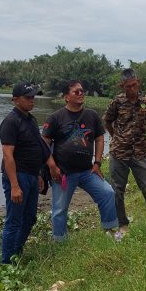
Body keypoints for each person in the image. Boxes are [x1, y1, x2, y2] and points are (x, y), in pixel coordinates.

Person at [42, 80, 121, 241]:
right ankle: (59, 241)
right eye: (76, 92)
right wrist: (51, 166)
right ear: (66, 97)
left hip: (87, 171)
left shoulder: (91, 115)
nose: (80, 93)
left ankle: (111, 231)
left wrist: (97, 163)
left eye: (82, 91)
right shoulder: (56, 117)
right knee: (59, 209)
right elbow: (44, 144)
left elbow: (99, 139)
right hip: (63, 173)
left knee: (108, 193)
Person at [0, 82, 51, 264]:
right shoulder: (10, 122)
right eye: (28, 97)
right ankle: (6, 262)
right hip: (17, 176)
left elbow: (36, 147)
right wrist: (14, 185)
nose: (32, 101)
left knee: (29, 218)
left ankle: (16, 253)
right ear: (15, 100)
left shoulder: (31, 120)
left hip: (31, 176)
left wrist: (38, 174)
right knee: (14, 220)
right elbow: (7, 156)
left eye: (33, 97)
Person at [104, 69, 146, 230]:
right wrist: (115, 137)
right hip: (119, 153)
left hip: (141, 152)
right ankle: (122, 223)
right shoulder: (117, 102)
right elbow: (107, 121)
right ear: (122, 86)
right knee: (117, 189)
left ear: (138, 82)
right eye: (128, 86)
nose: (132, 89)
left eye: (134, 85)